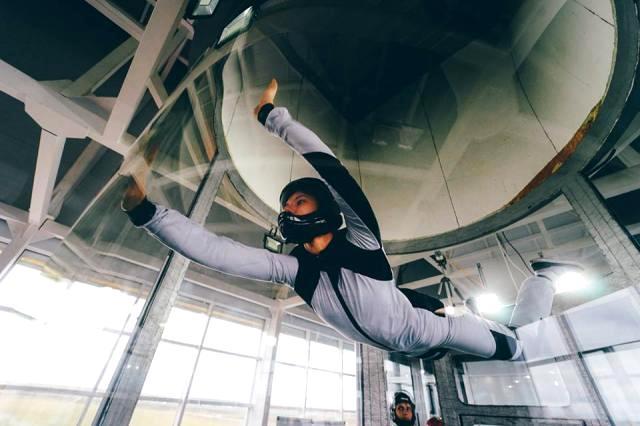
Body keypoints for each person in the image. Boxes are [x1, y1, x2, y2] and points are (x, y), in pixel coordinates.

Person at [122, 78, 571, 361]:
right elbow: (221, 255)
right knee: (455, 344)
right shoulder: (296, 269)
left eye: (297, 201)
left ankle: (543, 280)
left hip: (436, 329)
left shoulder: (361, 241)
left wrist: (272, 118)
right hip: (402, 347)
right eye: (286, 204)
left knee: (514, 348)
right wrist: (148, 214)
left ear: (324, 211)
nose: (287, 209)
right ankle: (529, 290)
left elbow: (330, 168)